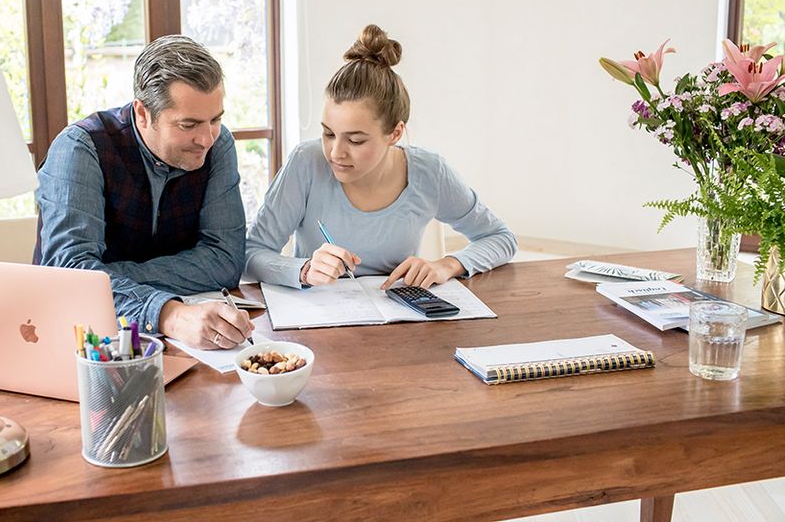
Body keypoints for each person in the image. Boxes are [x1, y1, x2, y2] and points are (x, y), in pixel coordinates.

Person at [245, 24, 516, 290]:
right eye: (328, 134)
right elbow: (252, 255)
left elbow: (500, 238)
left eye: (356, 140)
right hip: (317, 323)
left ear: (395, 133)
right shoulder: (306, 162)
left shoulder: (430, 172)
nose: (336, 152)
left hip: (398, 321)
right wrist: (303, 271)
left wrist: (447, 264)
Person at [35, 34, 253, 349]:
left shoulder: (218, 145)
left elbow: (225, 260)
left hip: (189, 343)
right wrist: (168, 313)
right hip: (87, 342)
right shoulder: (81, 149)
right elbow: (70, 277)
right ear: (142, 113)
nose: (206, 139)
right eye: (188, 125)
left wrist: (108, 279)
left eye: (215, 119)